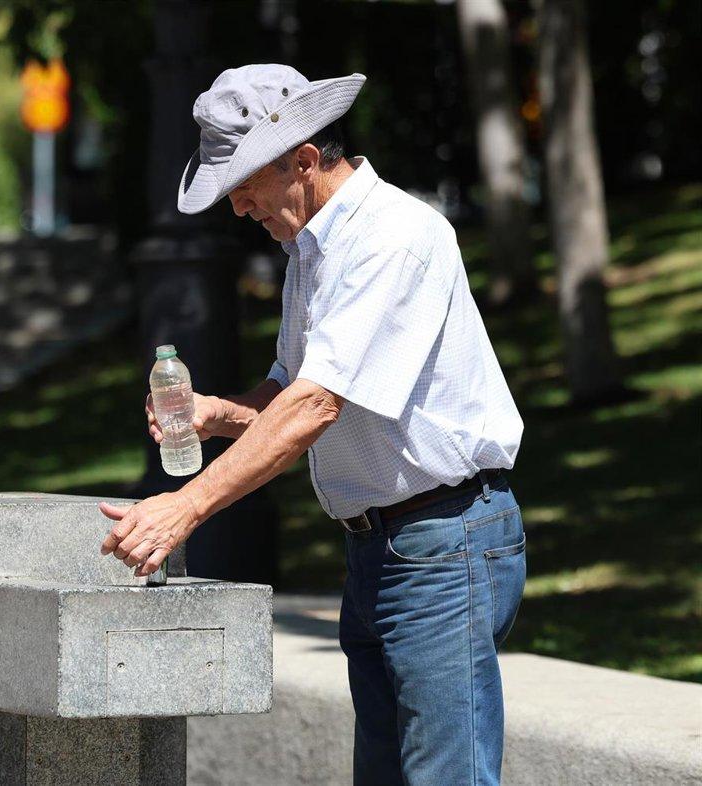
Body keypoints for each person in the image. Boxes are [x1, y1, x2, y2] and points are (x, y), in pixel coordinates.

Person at [100, 64, 526, 786]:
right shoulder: (312, 247)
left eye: (244, 185)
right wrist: (217, 415)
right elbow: (291, 388)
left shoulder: (392, 236)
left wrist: (185, 507)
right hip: (384, 547)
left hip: (442, 541)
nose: (239, 207)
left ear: (303, 160)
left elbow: (314, 407)